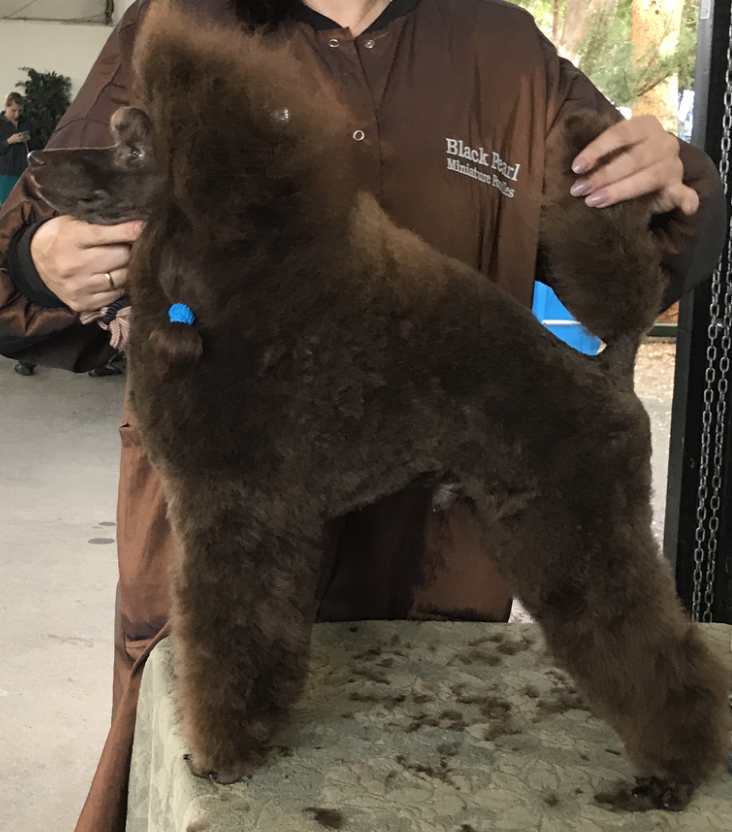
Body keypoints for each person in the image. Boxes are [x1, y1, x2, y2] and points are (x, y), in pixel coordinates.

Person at [0, 1, 726, 830]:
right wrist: (37, 261)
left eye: (135, 149)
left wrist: (666, 182)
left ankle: (679, 728)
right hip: (196, 533)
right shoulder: (179, 20)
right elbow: (25, 244)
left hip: (441, 577)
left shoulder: (503, 48)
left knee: (584, 600)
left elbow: (651, 221)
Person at [0, 91, 31, 204]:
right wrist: (9, 141)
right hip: (5, 172)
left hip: (22, 170)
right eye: (13, 111)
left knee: (22, 204)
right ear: (6, 106)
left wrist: (28, 138)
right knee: (6, 205)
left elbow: (36, 145)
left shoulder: (25, 122)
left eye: (19, 111)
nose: (17, 115)